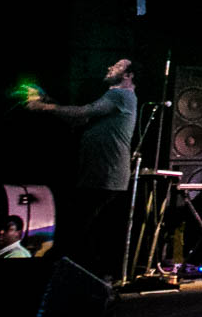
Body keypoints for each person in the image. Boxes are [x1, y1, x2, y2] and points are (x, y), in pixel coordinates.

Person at [26, 58, 139, 279]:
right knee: (84, 225)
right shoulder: (115, 97)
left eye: (117, 66)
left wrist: (43, 106)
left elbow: (82, 112)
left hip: (105, 173)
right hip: (102, 173)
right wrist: (49, 100)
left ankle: (77, 275)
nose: (109, 67)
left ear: (128, 75)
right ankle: (84, 273)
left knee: (79, 226)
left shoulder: (120, 95)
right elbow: (81, 118)